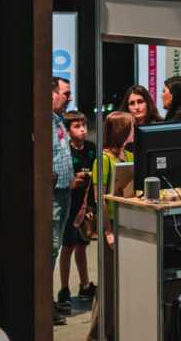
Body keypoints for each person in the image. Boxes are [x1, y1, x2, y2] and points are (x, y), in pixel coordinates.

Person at [87, 111, 135, 341]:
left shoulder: (128, 154)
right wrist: (107, 231)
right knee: (108, 284)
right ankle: (99, 334)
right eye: (131, 127)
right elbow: (100, 199)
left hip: (128, 222)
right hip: (112, 225)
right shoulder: (102, 159)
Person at [57, 110, 97, 309]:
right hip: (70, 205)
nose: (82, 130)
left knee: (82, 245)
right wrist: (72, 183)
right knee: (68, 247)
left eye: (84, 126)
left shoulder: (91, 148)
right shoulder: (65, 151)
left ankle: (85, 283)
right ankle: (64, 288)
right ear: (67, 129)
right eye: (77, 126)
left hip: (86, 204)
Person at [50, 77, 75, 325]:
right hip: (53, 194)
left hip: (63, 193)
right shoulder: (44, 121)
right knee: (50, 247)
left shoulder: (58, 120)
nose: (69, 98)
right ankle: (43, 303)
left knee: (54, 248)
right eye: (65, 93)